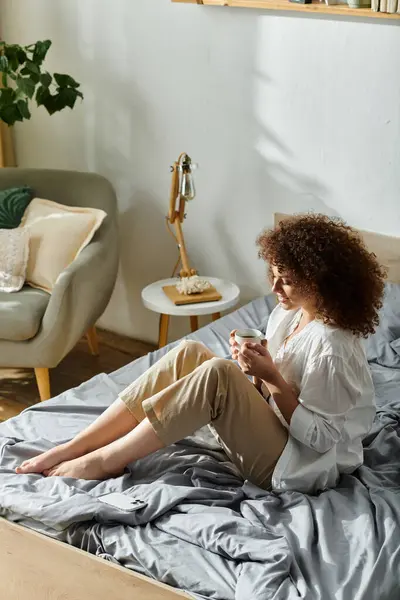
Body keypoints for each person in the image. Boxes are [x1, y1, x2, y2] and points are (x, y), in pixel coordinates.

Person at [17, 214, 386, 494]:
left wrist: (269, 377)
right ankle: (76, 445)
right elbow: (267, 396)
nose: (274, 288)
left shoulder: (332, 347)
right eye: (273, 275)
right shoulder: (287, 314)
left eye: (286, 280)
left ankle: (105, 460)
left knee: (219, 375)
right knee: (190, 352)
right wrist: (255, 370)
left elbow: (319, 438)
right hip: (277, 434)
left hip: (298, 465)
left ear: (321, 280)